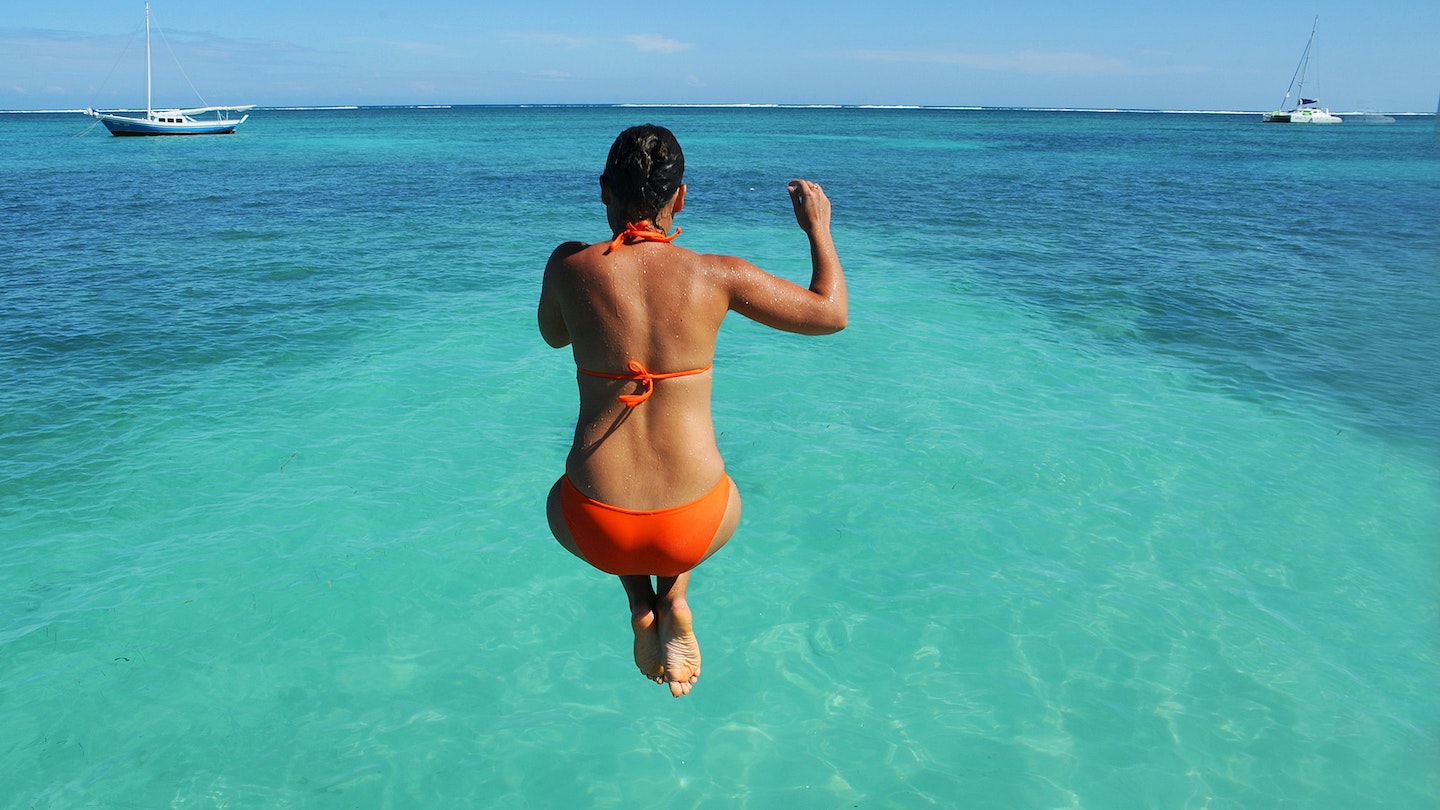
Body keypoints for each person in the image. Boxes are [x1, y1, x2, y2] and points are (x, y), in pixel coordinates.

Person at [539, 124, 847, 697]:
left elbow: (552, 336)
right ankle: (675, 595)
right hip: (695, 525)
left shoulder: (569, 266)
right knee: (708, 483)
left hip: (597, 528)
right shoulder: (716, 274)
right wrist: (817, 230)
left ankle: (639, 601)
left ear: (603, 191)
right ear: (680, 198)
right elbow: (830, 314)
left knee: (568, 492)